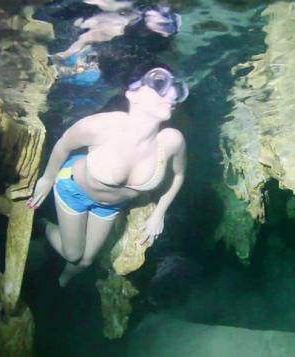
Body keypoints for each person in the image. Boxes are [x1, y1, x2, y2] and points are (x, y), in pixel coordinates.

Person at [27, 66, 188, 287]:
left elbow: (178, 175)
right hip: (73, 190)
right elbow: (64, 144)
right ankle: (45, 225)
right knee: (73, 255)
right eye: (159, 84)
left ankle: (63, 281)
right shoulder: (102, 126)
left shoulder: (172, 141)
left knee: (86, 261)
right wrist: (46, 179)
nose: (172, 94)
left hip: (109, 207)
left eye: (175, 88)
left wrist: (159, 213)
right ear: (132, 94)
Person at [51, 3, 182, 59]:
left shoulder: (118, 29)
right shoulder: (134, 14)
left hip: (100, 28)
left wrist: (65, 54)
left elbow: (86, 39)